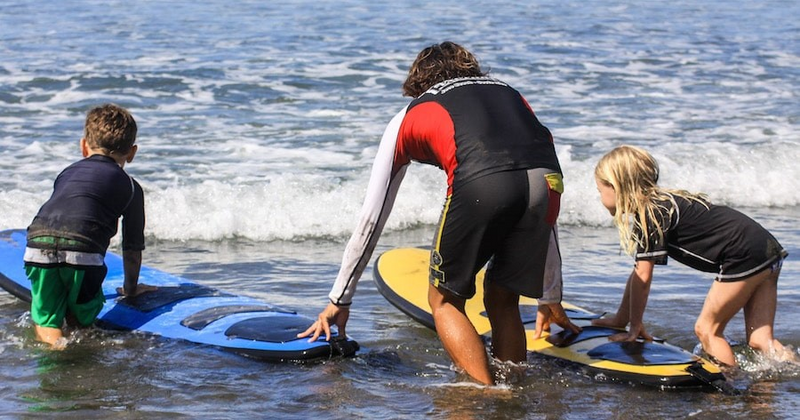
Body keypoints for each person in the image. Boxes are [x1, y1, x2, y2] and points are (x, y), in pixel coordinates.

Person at [299, 41, 580, 385]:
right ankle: (514, 388)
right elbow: (542, 186)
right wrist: (551, 295)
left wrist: (340, 299)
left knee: (444, 300)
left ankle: (486, 393)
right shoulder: (510, 94)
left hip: (484, 185)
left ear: (418, 83)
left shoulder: (409, 116)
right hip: (548, 180)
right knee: (502, 297)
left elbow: (372, 216)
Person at [591, 144, 794, 367]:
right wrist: (623, 318)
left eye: (600, 190)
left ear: (616, 186)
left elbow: (643, 278)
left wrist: (635, 326)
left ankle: (729, 394)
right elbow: (638, 273)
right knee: (761, 341)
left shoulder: (650, 214)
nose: (599, 196)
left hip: (742, 254)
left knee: (707, 330)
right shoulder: (664, 203)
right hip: (766, 247)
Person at [23, 104, 156, 349]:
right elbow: (132, 247)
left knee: (47, 317)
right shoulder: (130, 187)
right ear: (132, 152)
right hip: (83, 251)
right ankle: (73, 353)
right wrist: (131, 289)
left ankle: (55, 350)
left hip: (37, 244)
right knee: (83, 320)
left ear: (84, 146)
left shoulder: (67, 172)